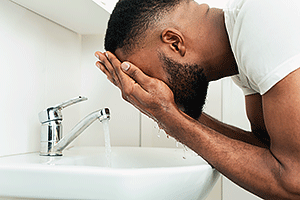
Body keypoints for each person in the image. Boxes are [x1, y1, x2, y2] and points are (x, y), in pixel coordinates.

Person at [94, 0, 300, 199]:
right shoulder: (243, 47)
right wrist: (175, 112)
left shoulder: (262, 16)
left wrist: (170, 118)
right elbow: (267, 151)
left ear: (174, 42)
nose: (151, 87)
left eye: (146, 75)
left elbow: (294, 181)